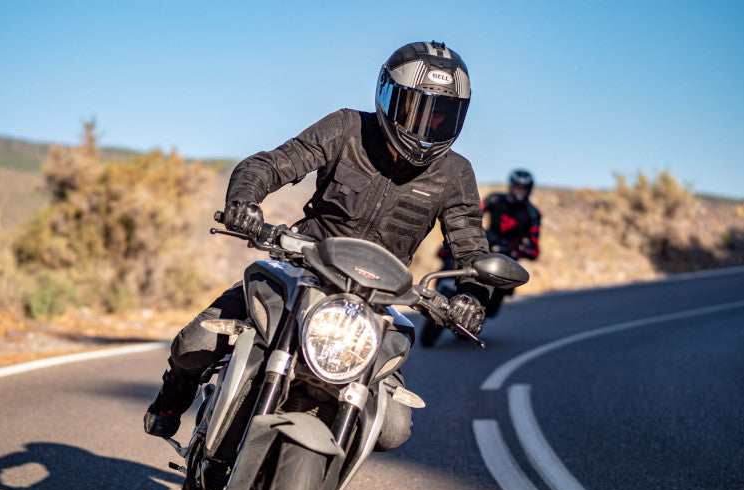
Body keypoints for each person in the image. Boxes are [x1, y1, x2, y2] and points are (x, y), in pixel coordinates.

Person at [143, 41, 491, 450]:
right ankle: (176, 392)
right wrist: (244, 202)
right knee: (196, 343)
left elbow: (473, 251)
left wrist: (471, 295)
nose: (426, 127)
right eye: (417, 109)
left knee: (392, 428)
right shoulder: (347, 128)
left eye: (441, 117)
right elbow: (269, 164)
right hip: (302, 266)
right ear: (387, 96)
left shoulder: (454, 173)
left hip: (375, 301)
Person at [480, 168, 541, 316]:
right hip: (486, 243)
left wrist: (520, 250)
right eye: (517, 187)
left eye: (523, 189)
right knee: (448, 248)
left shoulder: (532, 213)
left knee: (493, 306)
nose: (519, 191)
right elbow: (473, 213)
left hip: (508, 255)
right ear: (511, 186)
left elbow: (534, 247)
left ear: (529, 190)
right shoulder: (494, 199)